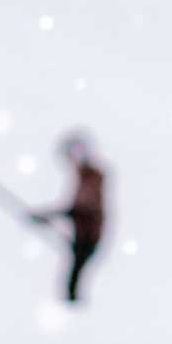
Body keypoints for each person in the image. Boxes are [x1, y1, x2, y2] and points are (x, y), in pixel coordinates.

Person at [40, 129, 108, 305]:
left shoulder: (92, 176)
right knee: (71, 284)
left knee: (72, 285)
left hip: (87, 239)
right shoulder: (83, 176)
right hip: (82, 238)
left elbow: (83, 209)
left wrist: (49, 216)